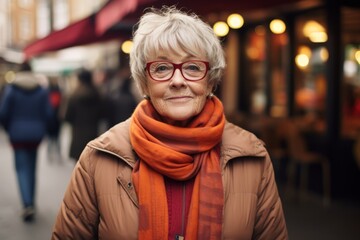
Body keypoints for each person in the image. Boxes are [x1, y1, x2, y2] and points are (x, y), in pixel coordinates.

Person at [52, 6, 288, 239]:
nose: (177, 80)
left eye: (193, 67)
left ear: (210, 81)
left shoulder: (251, 156)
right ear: (144, 83)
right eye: (162, 68)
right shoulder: (99, 157)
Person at [0, 61, 53, 222]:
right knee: (32, 168)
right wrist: (43, 128)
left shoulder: (12, 89)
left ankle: (27, 204)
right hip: (36, 135)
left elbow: (3, 113)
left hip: (17, 135)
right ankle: (31, 202)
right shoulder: (42, 90)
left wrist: (9, 129)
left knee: (21, 169)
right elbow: (49, 113)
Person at [63, 68, 105, 161]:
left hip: (78, 135)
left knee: (79, 168)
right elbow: (103, 114)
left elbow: (67, 117)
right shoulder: (97, 95)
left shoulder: (74, 96)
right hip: (93, 135)